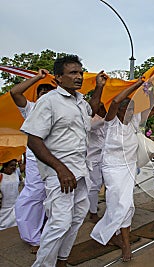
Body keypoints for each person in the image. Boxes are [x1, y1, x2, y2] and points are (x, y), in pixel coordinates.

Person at [20, 55, 107, 267]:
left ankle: (62, 260)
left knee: (76, 219)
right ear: (58, 77)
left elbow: (92, 109)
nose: (78, 77)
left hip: (80, 172)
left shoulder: (79, 101)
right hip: (60, 175)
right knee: (59, 224)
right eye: (72, 73)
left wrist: (99, 87)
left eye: (80, 72)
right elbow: (33, 139)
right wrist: (60, 169)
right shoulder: (48, 101)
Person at [90, 77, 154, 262]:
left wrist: (149, 92)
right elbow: (117, 101)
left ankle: (112, 235)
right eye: (126, 110)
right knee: (120, 204)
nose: (130, 114)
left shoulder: (133, 122)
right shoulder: (111, 123)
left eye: (132, 111)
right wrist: (136, 85)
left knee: (127, 205)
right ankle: (121, 242)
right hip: (112, 169)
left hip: (128, 168)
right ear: (118, 111)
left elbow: (153, 109)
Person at [10, 69, 56, 254]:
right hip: (36, 159)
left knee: (52, 197)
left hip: (56, 160)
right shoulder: (30, 108)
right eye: (42, 92)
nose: (45, 96)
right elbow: (15, 93)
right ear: (37, 96)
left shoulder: (58, 110)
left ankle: (47, 234)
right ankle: (32, 237)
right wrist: (37, 77)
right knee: (34, 194)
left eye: (49, 92)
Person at [86, 103, 107, 223]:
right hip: (93, 159)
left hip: (106, 159)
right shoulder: (91, 120)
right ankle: (92, 212)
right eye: (100, 107)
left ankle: (107, 210)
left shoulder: (108, 122)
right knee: (94, 186)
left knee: (108, 185)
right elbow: (94, 125)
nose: (102, 109)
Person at [0, 159, 22, 230]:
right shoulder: (0, 176)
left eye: (15, 165)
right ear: (5, 166)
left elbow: (22, 180)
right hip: (4, 208)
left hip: (15, 206)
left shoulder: (16, 173)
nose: (14, 167)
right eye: (11, 165)